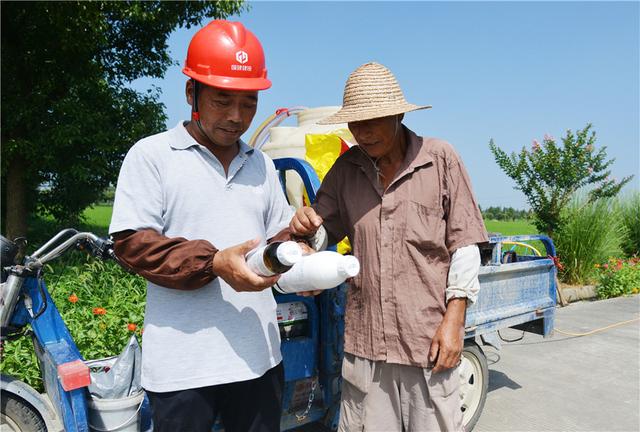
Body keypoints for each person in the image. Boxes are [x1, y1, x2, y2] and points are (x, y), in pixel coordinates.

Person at [109, 20, 294, 432]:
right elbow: (133, 245)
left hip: (259, 361)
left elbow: (277, 239)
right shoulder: (153, 155)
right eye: (222, 100)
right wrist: (213, 263)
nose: (236, 117)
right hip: (183, 370)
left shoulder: (261, 164)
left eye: (248, 103)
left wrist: (298, 251)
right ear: (192, 92)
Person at [289, 62, 488, 431]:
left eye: (373, 120)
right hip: (367, 350)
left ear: (398, 114)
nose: (362, 132)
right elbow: (321, 231)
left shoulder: (440, 158)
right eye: (355, 123)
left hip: (426, 344)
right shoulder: (347, 169)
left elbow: (465, 246)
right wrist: (307, 228)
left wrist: (455, 321)